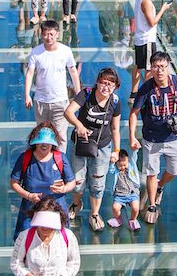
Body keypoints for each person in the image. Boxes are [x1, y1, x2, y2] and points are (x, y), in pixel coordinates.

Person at [129, 51, 177, 224]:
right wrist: (132, 137)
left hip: (173, 137)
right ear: (151, 68)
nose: (160, 71)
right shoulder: (147, 88)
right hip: (152, 139)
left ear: (168, 66)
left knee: (175, 170)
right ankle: (151, 204)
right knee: (151, 173)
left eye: (163, 67)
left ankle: (160, 186)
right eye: (156, 67)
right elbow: (134, 113)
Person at [64, 68, 122, 231]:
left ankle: (95, 214)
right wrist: (79, 126)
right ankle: (76, 204)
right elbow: (68, 112)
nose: (106, 87)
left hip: (102, 146)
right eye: (103, 83)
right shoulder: (86, 94)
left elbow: (115, 128)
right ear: (97, 82)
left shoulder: (115, 102)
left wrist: (116, 150)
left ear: (115, 86)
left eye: (110, 84)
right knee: (77, 181)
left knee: (97, 182)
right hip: (80, 143)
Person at [9, 125, 76, 240]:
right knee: (27, 241)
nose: (44, 145)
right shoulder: (25, 158)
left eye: (48, 142)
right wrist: (28, 195)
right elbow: (14, 182)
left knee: (59, 241)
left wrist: (64, 189)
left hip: (56, 210)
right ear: (35, 142)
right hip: (31, 210)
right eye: (41, 142)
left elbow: (72, 182)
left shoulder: (60, 158)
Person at [25, 20, 81, 143]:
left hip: (60, 101)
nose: (48, 37)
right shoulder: (36, 52)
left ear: (57, 34)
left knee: (60, 136)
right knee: (42, 135)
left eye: (51, 34)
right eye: (46, 34)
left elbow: (73, 72)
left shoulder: (65, 51)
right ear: (41, 34)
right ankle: (45, 161)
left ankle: (59, 162)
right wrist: (27, 95)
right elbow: (30, 73)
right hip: (41, 101)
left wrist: (78, 93)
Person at [9, 198, 81, 276]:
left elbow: (74, 262)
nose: (45, 228)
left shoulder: (68, 235)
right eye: (42, 223)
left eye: (48, 224)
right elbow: (16, 263)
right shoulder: (24, 236)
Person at [132, 0, 172, 98]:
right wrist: (163, 9)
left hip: (140, 38)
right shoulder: (146, 2)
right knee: (149, 68)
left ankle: (134, 93)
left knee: (138, 66)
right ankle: (145, 94)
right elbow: (152, 22)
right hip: (147, 38)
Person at [108, 149, 141, 230]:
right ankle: (118, 219)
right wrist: (112, 162)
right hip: (120, 195)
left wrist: (134, 150)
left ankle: (133, 220)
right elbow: (110, 169)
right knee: (115, 208)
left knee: (136, 208)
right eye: (120, 165)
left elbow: (133, 158)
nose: (123, 167)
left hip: (132, 193)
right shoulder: (115, 171)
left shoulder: (131, 167)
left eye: (124, 165)